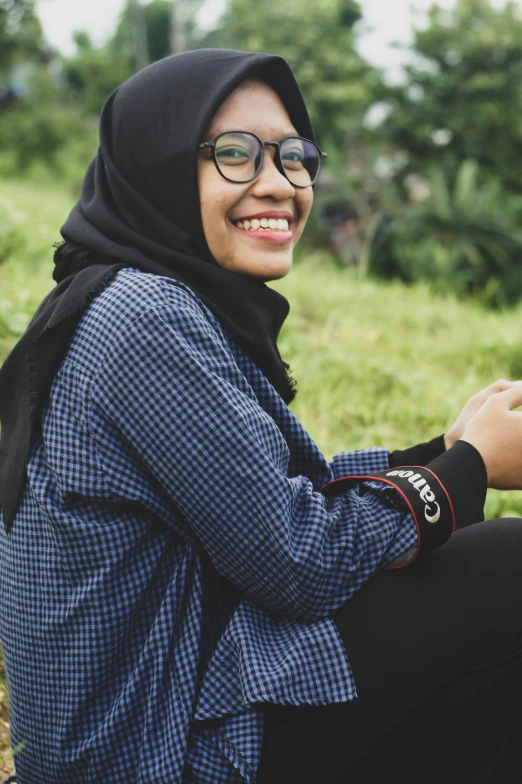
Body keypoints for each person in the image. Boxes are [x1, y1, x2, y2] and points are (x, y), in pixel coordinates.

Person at [1, 49, 522, 784]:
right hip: (153, 752)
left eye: (294, 156)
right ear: (157, 165)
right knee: (509, 568)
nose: (277, 184)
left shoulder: (149, 298)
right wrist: (466, 473)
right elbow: (296, 562)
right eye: (236, 155)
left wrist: (448, 446)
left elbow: (280, 495)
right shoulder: (143, 317)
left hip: (175, 699)